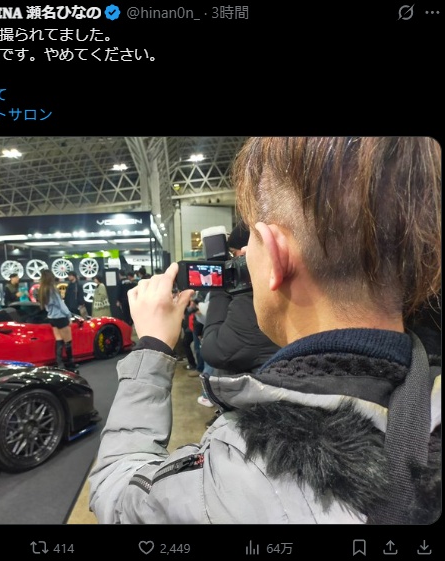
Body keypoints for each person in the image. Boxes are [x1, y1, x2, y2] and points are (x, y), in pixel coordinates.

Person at [88, 137, 441, 524]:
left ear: (275, 255)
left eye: (251, 243)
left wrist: (152, 348)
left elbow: (115, 492)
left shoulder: (234, 472)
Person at [200, 220, 281, 425]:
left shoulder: (254, 300)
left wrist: (220, 285)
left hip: (258, 418)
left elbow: (215, 350)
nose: (234, 262)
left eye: (236, 255)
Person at [38, 269, 78, 372]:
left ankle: (60, 364)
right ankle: (71, 364)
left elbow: (46, 307)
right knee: (68, 341)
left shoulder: (42, 290)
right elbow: (61, 304)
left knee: (59, 340)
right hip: (60, 318)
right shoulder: (52, 289)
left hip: (52, 318)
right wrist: (69, 315)